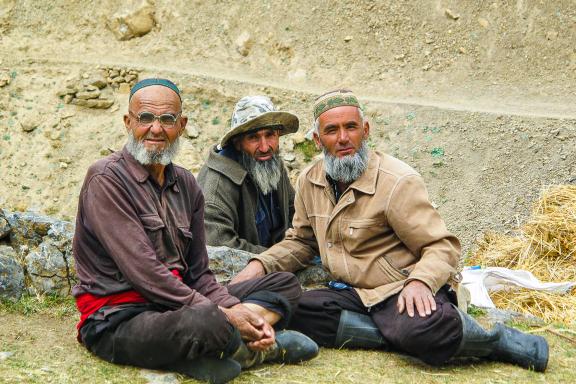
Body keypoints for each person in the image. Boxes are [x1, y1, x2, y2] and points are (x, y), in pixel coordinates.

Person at [231, 89, 549, 372]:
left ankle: (496, 340)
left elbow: (442, 247)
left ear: (365, 131)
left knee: (422, 330)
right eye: (332, 130)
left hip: (397, 289)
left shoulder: (397, 181)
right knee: (290, 306)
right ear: (317, 140)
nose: (343, 138)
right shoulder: (309, 180)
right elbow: (301, 242)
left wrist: (421, 282)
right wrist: (261, 265)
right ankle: (392, 334)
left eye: (351, 127)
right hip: (350, 293)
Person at [72, 78, 317, 384]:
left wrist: (235, 308)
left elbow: (199, 273)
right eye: (145, 118)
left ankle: (225, 347)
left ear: (182, 124)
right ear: (128, 122)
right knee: (207, 319)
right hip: (120, 318)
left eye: (167, 119)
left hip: (181, 306)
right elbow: (145, 274)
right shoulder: (106, 179)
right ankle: (262, 348)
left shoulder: (186, 185)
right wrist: (226, 314)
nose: (156, 129)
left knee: (284, 284)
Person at [198, 96, 297, 253]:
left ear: (278, 134)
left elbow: (296, 212)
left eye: (270, 135)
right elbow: (220, 247)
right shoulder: (217, 183)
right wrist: (278, 258)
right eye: (253, 137)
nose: (265, 147)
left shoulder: (272, 163)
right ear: (237, 142)